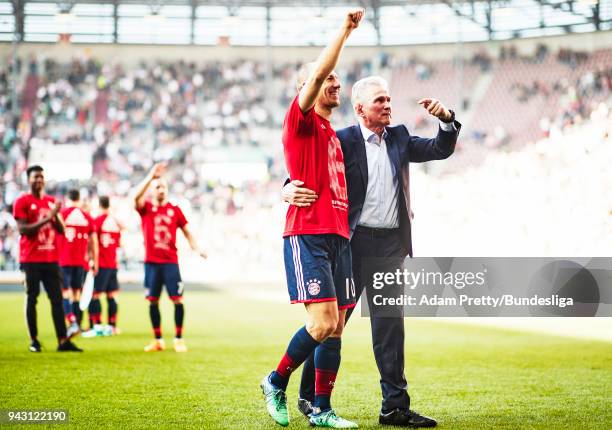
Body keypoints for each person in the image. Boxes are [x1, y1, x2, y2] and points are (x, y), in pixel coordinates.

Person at [284, 76, 461, 427]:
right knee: (330, 326)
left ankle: (394, 407)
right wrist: (287, 187)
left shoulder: (399, 136)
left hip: (390, 246)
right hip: (351, 243)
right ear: (361, 108)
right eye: (380, 100)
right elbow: (310, 167)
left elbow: (440, 149)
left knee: (389, 329)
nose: (387, 105)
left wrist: (446, 120)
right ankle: (309, 398)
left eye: (389, 99)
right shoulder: (343, 139)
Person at [260, 8, 364, 429]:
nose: (335, 83)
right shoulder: (300, 121)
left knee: (335, 326)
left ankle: (321, 409)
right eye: (328, 80)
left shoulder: (333, 137)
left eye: (338, 81)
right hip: (309, 234)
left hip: (339, 236)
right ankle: (274, 380)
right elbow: (321, 71)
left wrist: (288, 182)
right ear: (308, 88)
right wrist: (344, 30)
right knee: (321, 323)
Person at [132, 163, 208, 353]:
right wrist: (151, 176)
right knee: (152, 301)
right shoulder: (146, 208)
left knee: (178, 300)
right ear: (151, 190)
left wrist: (196, 248)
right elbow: (134, 197)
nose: (161, 190)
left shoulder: (175, 210)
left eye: (163, 187)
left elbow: (187, 231)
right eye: (157, 187)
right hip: (151, 263)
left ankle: (178, 338)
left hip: (170, 263)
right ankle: (158, 339)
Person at [12, 165, 83, 352]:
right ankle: (34, 341)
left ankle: (62, 340)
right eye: (35, 177)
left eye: (41, 177)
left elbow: (61, 229)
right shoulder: (22, 201)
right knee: (32, 298)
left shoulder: (51, 201)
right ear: (28, 180)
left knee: (57, 300)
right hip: (30, 259)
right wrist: (49, 217)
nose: (39, 180)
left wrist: (56, 215)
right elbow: (23, 229)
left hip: (51, 258)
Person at [58, 188, 99, 335]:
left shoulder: (61, 215)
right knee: (76, 293)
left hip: (63, 260)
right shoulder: (87, 217)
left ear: (67, 199)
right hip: (80, 262)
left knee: (65, 293)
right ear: (79, 199)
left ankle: (72, 322)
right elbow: (93, 241)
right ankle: (77, 325)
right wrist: (95, 261)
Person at [83, 195, 123, 337]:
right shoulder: (114, 222)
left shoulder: (97, 221)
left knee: (95, 295)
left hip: (102, 264)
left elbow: (91, 242)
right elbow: (119, 243)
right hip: (113, 263)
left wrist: (92, 260)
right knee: (112, 295)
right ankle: (112, 326)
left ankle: (97, 325)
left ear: (99, 205)